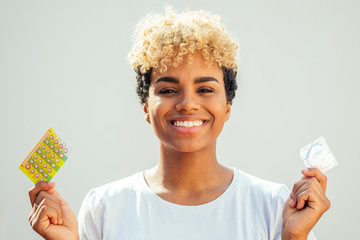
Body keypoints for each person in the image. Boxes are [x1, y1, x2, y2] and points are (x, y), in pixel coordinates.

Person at [28, 8, 330, 240]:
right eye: (168, 89)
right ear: (146, 107)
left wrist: (294, 237)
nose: (187, 103)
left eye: (206, 89)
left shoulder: (275, 206)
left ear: (227, 107)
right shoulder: (105, 206)